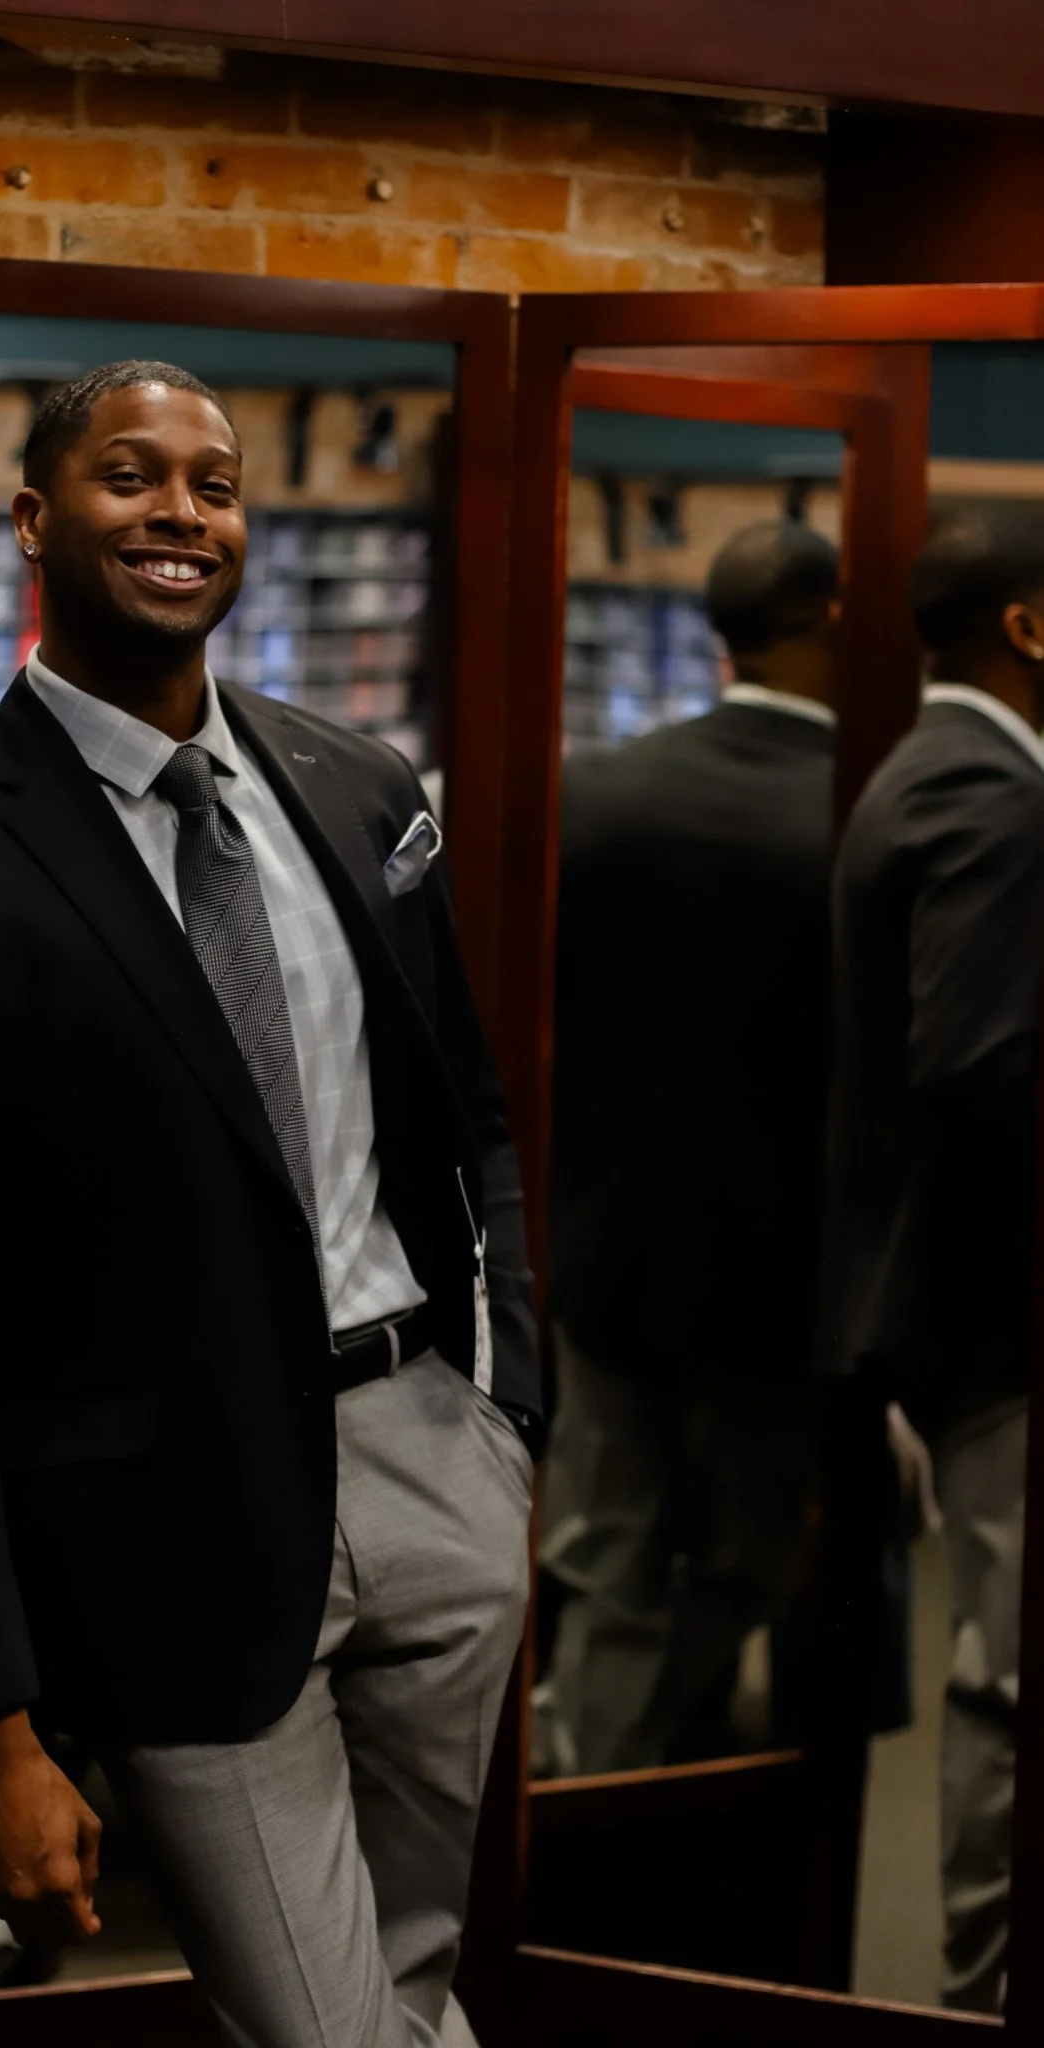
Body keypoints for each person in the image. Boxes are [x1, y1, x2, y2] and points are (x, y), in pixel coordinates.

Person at [0, 360, 540, 2048]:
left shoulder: (359, 789)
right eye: (130, 476)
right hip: (174, 1538)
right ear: (34, 519)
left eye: (213, 483)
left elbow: (473, 1125)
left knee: (413, 1992)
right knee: (323, 2023)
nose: (179, 512)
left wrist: (508, 1412)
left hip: (434, 1467)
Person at [536, 520, 839, 1777]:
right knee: (755, 1555)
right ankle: (641, 1796)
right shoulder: (860, 810)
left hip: (604, 1251)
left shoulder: (595, 792)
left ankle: (578, 1801)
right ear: (832, 620)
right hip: (786, 1278)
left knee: (606, 1546)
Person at [828, 507, 1044, 2014]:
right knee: (1018, 1683)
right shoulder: (990, 792)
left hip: (966, 1312)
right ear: (1027, 627)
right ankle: (987, 1994)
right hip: (1005, 1320)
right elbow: (981, 1071)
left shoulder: (939, 771)